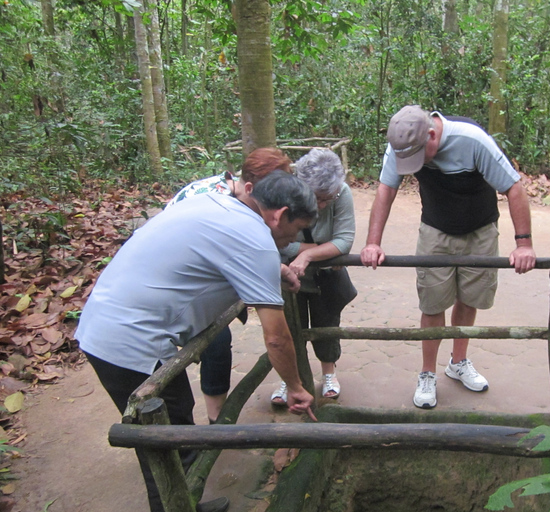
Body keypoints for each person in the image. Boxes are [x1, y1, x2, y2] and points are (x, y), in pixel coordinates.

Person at [76, 171, 319, 512]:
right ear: (278, 215)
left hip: (105, 321)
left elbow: (216, 251)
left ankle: (185, 503)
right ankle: (175, 505)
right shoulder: (256, 238)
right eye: (293, 231)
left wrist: (275, 269)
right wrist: (294, 386)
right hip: (127, 340)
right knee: (167, 442)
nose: (291, 240)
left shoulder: (214, 202)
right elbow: (276, 337)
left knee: (176, 423)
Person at [360, 105, 537, 409]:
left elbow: (514, 188)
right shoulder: (401, 145)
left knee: (468, 298)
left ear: (431, 134)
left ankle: (458, 362)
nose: (417, 163)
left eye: (420, 154)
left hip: (479, 230)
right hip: (435, 230)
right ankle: (427, 372)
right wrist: (372, 243)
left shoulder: (472, 140)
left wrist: (523, 244)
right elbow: (386, 190)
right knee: (433, 303)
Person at [167, 147, 293, 423]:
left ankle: (217, 417)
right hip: (182, 285)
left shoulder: (240, 197)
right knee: (214, 339)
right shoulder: (214, 201)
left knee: (218, 341)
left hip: (209, 276)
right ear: (250, 186)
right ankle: (214, 420)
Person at [270, 149, 356, 404]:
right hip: (287, 275)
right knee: (288, 327)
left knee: (326, 324)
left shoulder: (342, 193)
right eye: (317, 198)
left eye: (326, 199)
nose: (321, 205)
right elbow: (278, 243)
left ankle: (329, 373)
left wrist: (306, 256)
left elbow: (345, 240)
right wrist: (323, 248)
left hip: (325, 276)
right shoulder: (284, 192)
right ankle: (290, 379)